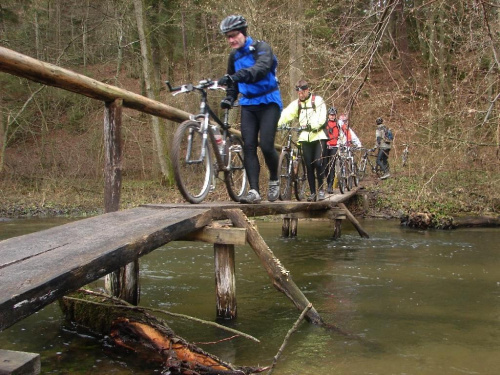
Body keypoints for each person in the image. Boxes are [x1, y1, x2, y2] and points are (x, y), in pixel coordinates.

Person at [217, 15, 283, 204]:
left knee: (267, 145)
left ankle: (274, 179)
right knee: (249, 146)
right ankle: (254, 190)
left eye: (234, 35)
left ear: (243, 33)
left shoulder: (262, 48)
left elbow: (260, 70)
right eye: (227, 37)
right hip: (248, 105)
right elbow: (232, 82)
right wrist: (230, 97)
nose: (231, 40)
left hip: (269, 102)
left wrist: (236, 77)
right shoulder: (233, 56)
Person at [277, 79, 327, 201]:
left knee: (318, 163)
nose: (300, 95)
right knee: (309, 166)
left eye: (302, 93)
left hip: (319, 136)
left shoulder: (318, 101)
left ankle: (321, 190)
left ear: (307, 90)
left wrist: (312, 125)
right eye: (299, 93)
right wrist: (277, 124)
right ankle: (312, 193)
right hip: (305, 138)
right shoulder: (297, 104)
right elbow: (286, 114)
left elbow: (322, 117)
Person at [324, 107, 343, 194]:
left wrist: (341, 143)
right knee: (325, 166)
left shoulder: (338, 124)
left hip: (334, 146)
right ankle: (327, 182)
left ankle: (330, 186)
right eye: (331, 115)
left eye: (333, 115)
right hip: (326, 146)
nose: (332, 116)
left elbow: (342, 134)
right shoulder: (325, 124)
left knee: (331, 166)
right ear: (328, 115)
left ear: (335, 116)